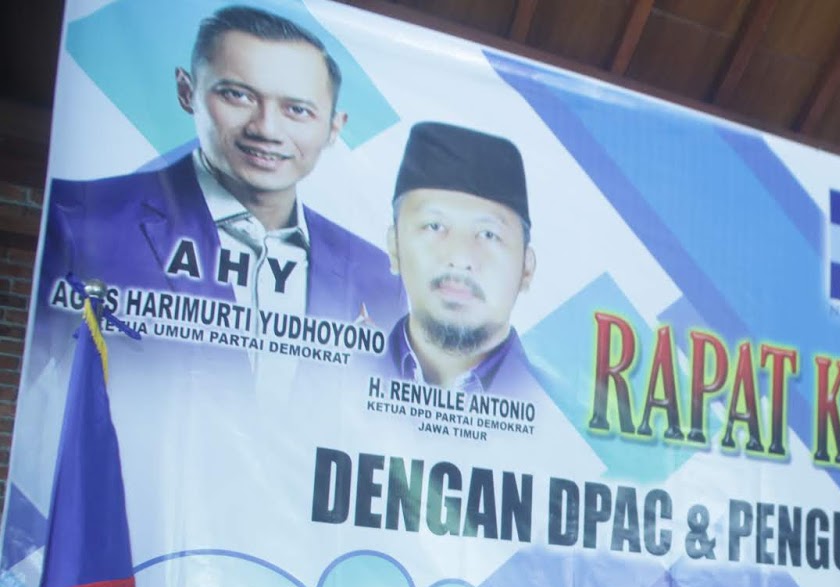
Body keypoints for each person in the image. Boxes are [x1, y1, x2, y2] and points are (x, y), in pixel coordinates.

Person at [41, 5, 403, 325]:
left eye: (297, 110)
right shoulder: (77, 218)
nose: (266, 129)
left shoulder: (376, 275)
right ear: (187, 91)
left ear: (334, 128)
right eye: (238, 95)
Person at [384, 121, 540, 396]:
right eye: (434, 226)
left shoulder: (560, 412)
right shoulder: (332, 382)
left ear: (526, 269)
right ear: (395, 246)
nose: (459, 258)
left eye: (488, 234)